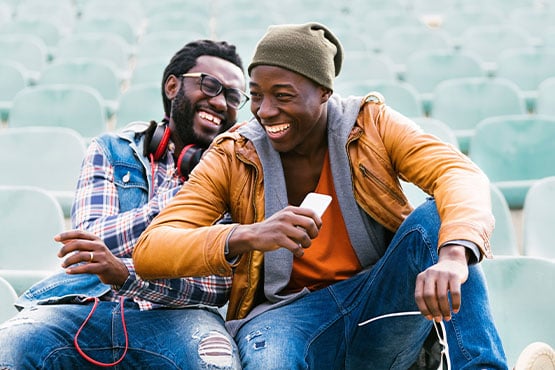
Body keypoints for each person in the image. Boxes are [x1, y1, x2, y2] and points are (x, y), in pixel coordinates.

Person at [132, 23, 508, 369]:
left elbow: (457, 172)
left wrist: (455, 255)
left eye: (283, 96)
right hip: (283, 317)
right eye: (257, 95)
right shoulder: (233, 152)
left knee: (437, 220)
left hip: (375, 301)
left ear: (324, 92)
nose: (265, 111)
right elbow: (151, 248)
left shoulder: (371, 123)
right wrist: (250, 235)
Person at [0, 39, 248, 369]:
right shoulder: (111, 149)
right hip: (86, 303)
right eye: (210, 85)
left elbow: (216, 283)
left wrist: (124, 273)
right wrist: (185, 204)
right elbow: (87, 244)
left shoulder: (237, 173)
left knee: (215, 363)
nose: (220, 102)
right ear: (172, 85)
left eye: (233, 96)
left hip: (180, 319)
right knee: (11, 347)